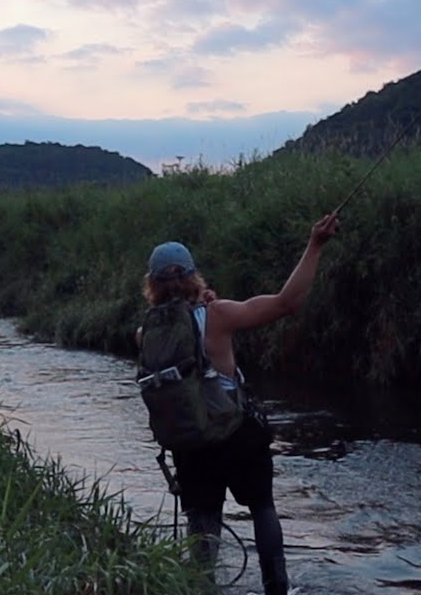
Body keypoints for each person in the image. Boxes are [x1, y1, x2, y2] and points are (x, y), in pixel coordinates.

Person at [140, 213, 340, 595]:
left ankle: (202, 587)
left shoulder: (146, 332)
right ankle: (276, 588)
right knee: (262, 506)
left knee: (202, 520)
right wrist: (315, 245)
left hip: (189, 442)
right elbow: (287, 303)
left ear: (153, 285)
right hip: (235, 434)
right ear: (193, 277)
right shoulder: (218, 315)